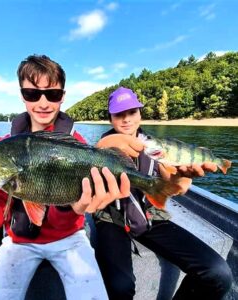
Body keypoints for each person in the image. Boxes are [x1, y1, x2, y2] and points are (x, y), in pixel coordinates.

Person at [0, 55, 134, 300]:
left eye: (52, 94)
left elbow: (85, 197)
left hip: (70, 238)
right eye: (32, 94)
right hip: (18, 241)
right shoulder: (3, 147)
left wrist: (80, 205)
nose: (43, 102)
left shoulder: (78, 146)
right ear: (22, 94)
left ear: (62, 96)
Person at [93, 87, 233, 300]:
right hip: (111, 218)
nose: (126, 120)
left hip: (151, 215)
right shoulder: (102, 146)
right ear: (110, 118)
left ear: (140, 114)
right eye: (119, 114)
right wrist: (108, 144)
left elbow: (178, 186)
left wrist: (182, 176)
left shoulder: (156, 146)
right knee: (120, 287)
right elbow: (101, 147)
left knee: (218, 273)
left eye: (131, 112)